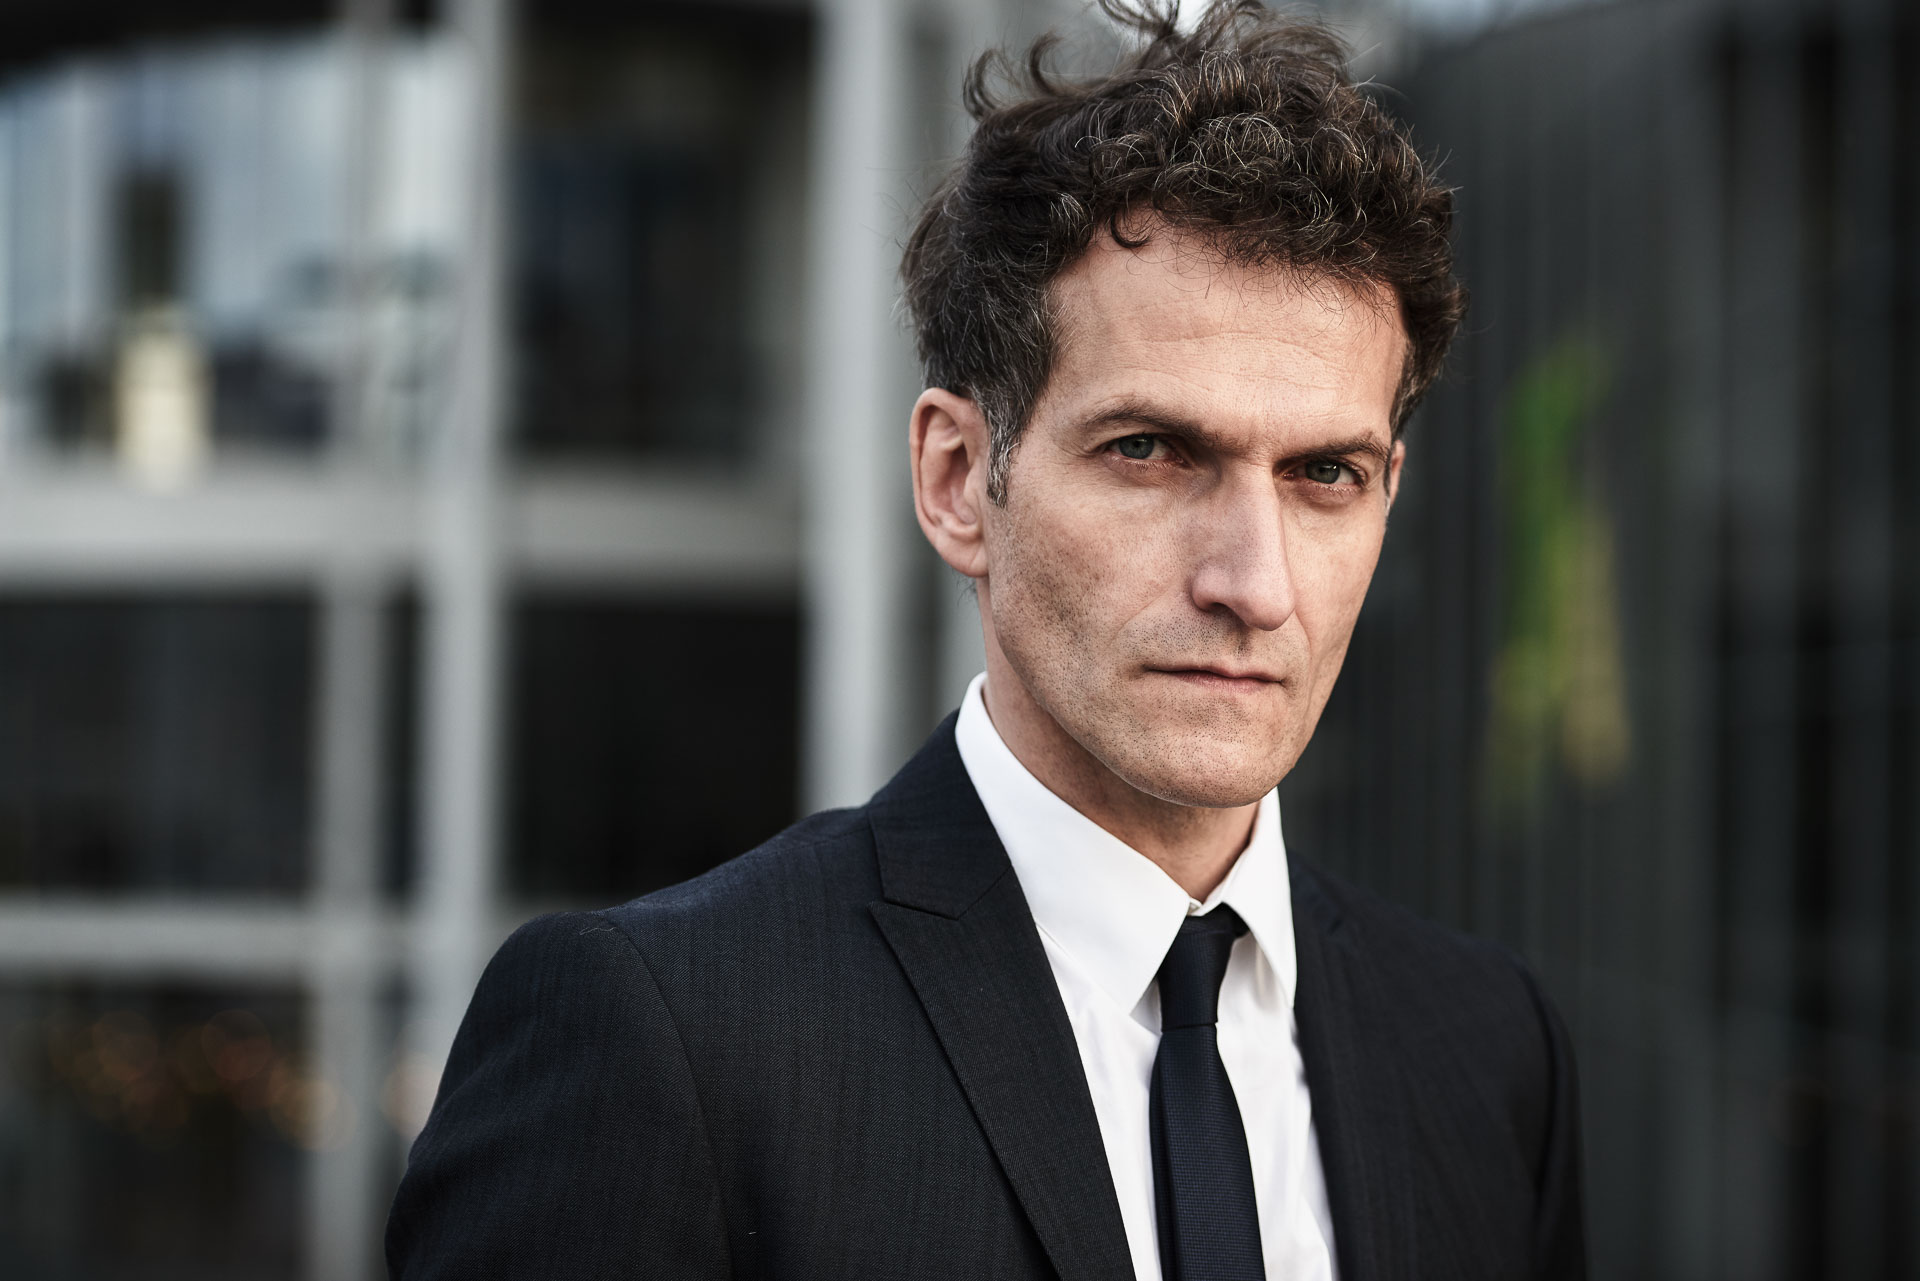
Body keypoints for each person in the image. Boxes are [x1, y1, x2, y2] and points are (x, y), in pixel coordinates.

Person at [386, 3, 1587, 1278]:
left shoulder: (1488, 1051)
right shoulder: (663, 1040)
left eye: (1324, 474)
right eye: (1150, 451)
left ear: (1388, 492)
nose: (1255, 584)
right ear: (959, 479)